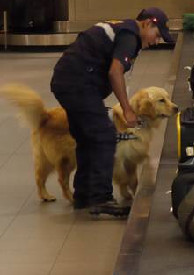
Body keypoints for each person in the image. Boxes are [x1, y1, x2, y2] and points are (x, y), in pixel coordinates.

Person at [50, 7, 174, 217]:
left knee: (87, 138)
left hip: (66, 81)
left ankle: (84, 196)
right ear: (147, 24)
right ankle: (101, 198)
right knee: (105, 137)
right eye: (157, 34)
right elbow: (115, 71)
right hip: (78, 84)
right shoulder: (130, 36)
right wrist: (127, 110)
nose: (156, 41)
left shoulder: (121, 29)